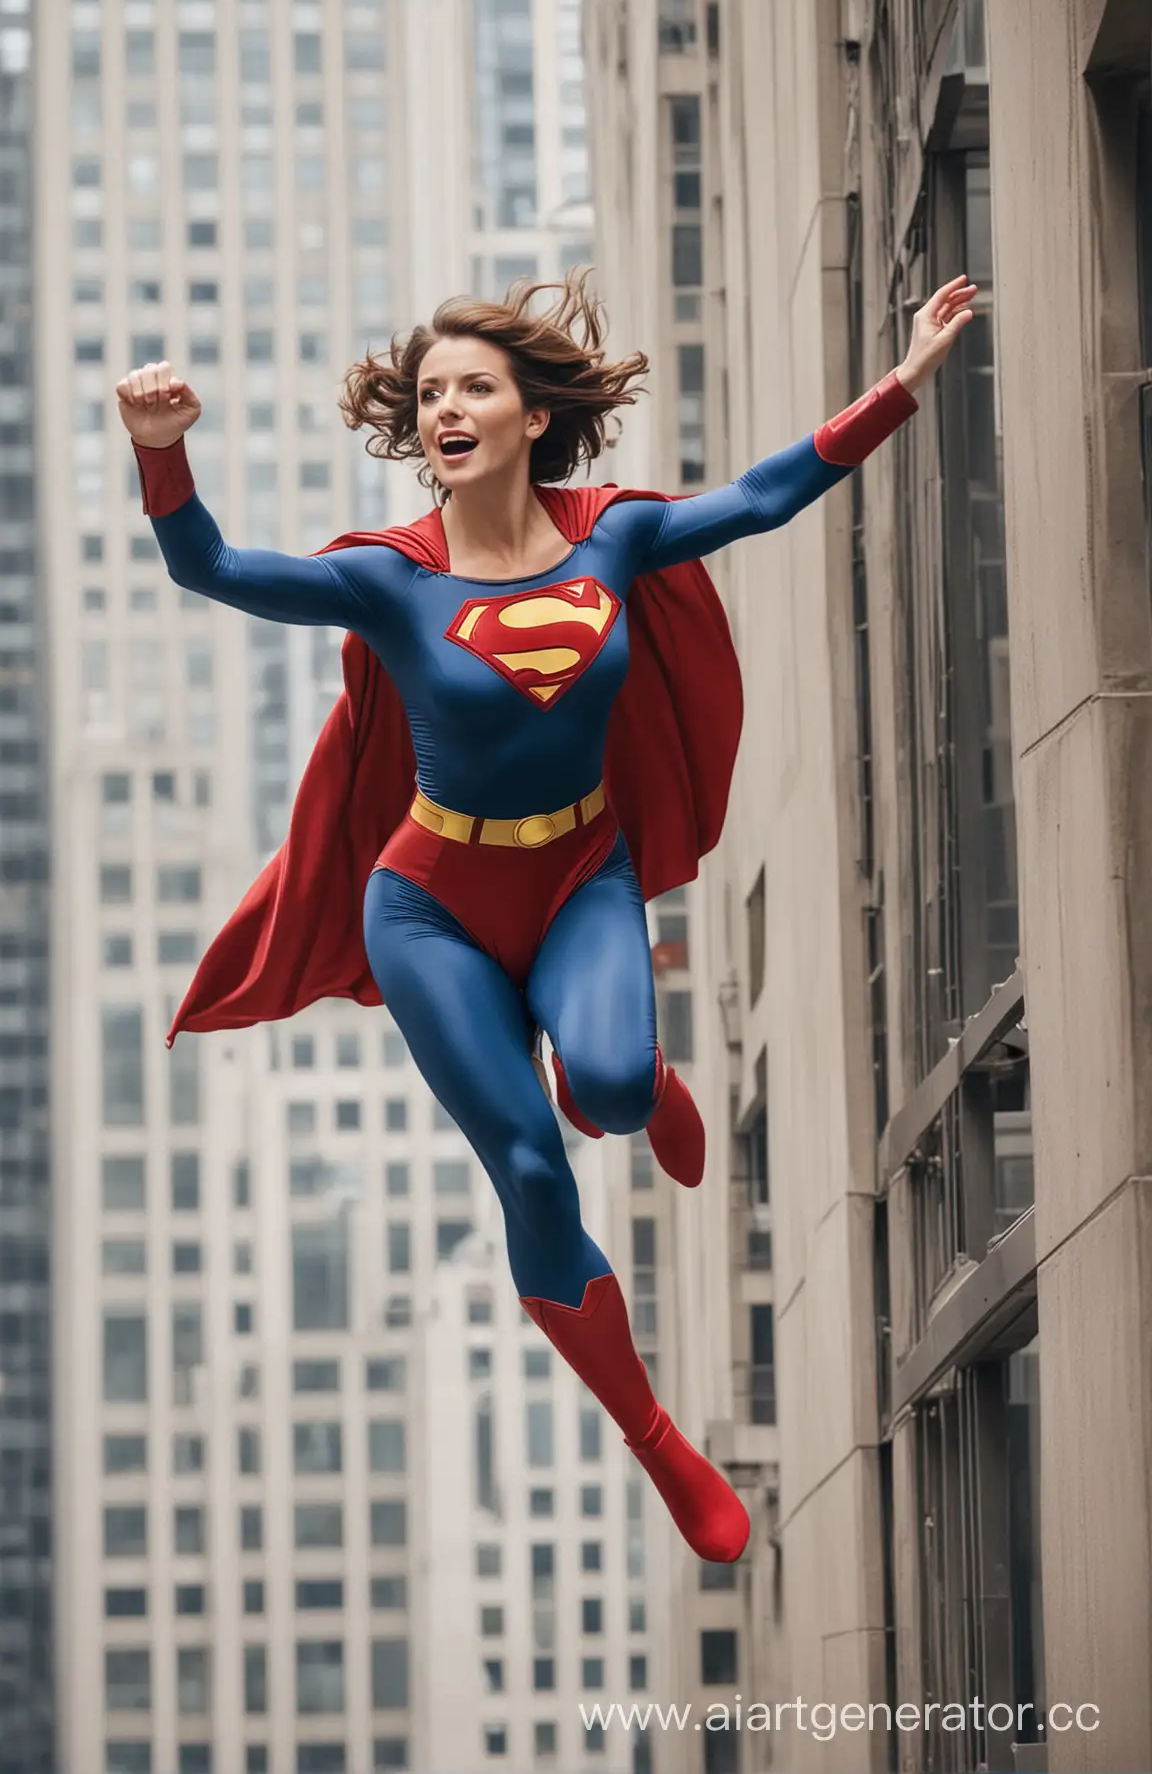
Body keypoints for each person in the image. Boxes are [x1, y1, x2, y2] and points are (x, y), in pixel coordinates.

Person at [115, 269, 976, 1562]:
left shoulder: (612, 538)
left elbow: (757, 500)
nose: (446, 407)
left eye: (474, 387)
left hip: (583, 876)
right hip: (429, 908)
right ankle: (655, 1441)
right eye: (429, 394)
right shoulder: (386, 580)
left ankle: (631, 1078)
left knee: (617, 1091)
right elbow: (217, 571)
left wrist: (902, 385)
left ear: (531, 414)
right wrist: (162, 454)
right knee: (529, 1169)